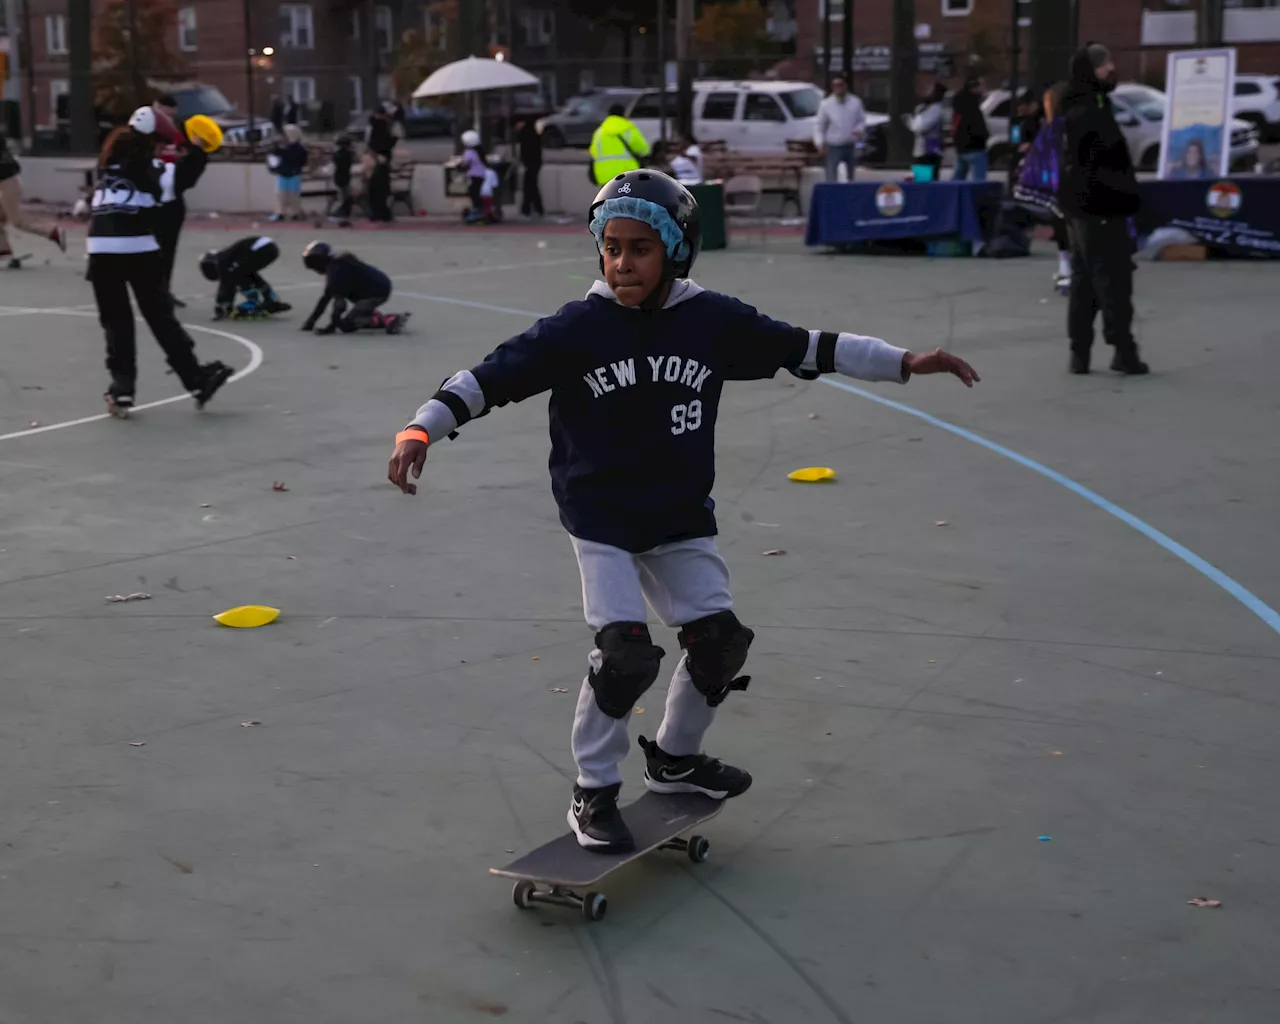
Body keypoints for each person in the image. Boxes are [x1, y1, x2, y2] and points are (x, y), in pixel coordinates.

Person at [385, 170, 979, 852]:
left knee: (719, 644)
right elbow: (488, 377)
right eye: (610, 247)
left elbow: (806, 347)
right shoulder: (580, 327)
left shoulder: (712, 321)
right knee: (624, 657)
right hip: (601, 514)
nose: (621, 263)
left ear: (677, 251)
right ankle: (593, 791)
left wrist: (904, 361)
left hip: (677, 512)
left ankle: (673, 758)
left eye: (639, 249)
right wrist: (422, 427)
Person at [88, 106, 233, 417]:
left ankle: (122, 390)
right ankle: (196, 380)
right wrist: (199, 147)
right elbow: (185, 176)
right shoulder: (154, 168)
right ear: (153, 142)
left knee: (116, 323)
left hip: (99, 250)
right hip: (138, 249)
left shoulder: (107, 167)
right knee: (160, 318)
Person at [1061, 43, 1147, 375]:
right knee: (1112, 280)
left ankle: (1079, 353)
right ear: (1091, 71)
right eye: (1105, 64)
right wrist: (1126, 196)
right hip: (1100, 208)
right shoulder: (1090, 112)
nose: (1111, 69)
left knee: (1084, 283)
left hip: (1081, 210)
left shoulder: (1081, 106)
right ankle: (1123, 349)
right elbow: (1103, 165)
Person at [153, 94, 211, 309]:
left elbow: (191, 173)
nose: (168, 119)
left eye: (171, 116)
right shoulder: (145, 134)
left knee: (167, 250)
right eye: (164, 114)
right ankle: (147, 291)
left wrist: (197, 150)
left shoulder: (181, 135)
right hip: (147, 201)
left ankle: (164, 291)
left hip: (171, 202)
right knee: (143, 250)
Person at [1013, 82, 1072, 291]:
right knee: (1068, 225)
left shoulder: (1053, 129)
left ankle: (1068, 268)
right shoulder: (1055, 129)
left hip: (1063, 184)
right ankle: (1069, 268)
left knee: (1065, 224)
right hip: (1069, 183)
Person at [299, 240, 407, 334]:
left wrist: (331, 327)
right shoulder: (335, 265)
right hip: (375, 288)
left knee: (347, 326)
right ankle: (369, 314)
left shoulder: (336, 270)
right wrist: (311, 322)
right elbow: (326, 298)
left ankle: (386, 319)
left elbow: (340, 305)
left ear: (320, 260)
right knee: (347, 313)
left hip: (375, 292)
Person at [0, 131, 68, 266]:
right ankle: (4, 253)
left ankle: (52, 232)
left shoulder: (4, 160)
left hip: (9, 186)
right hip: (7, 185)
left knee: (17, 222)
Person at [199, 235, 291, 320]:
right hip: (272, 248)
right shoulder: (229, 257)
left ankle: (254, 302)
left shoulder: (222, 262)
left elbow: (226, 285)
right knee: (247, 273)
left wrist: (219, 307)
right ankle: (271, 299)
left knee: (237, 274)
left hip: (261, 248)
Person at [815, 76, 867, 183]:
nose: (838, 88)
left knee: (850, 175)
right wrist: (819, 143)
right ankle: (831, 195)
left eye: (840, 85)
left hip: (850, 143)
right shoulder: (826, 104)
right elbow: (819, 126)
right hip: (834, 145)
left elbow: (861, 120)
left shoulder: (855, 102)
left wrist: (859, 129)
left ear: (845, 86)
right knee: (831, 174)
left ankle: (849, 195)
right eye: (835, 86)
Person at [589, 104, 651, 186]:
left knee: (607, 197)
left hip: (605, 176)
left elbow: (593, 152)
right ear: (623, 114)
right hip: (627, 174)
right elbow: (644, 150)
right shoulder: (629, 130)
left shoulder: (600, 132)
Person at [951, 76, 990, 182]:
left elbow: (956, 126)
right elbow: (978, 126)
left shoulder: (959, 106)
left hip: (961, 147)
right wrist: (984, 137)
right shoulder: (973, 106)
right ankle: (978, 197)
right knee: (979, 179)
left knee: (958, 177)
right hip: (976, 146)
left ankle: (953, 196)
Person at [906, 83, 948, 179]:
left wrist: (910, 122)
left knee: (924, 181)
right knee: (923, 179)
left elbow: (921, 127)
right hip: (924, 149)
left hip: (928, 150)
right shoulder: (924, 107)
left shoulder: (935, 109)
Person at [268, 123, 308, 222]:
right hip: (288, 173)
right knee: (282, 195)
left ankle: (292, 213)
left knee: (291, 195)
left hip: (291, 173)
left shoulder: (297, 149)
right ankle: (283, 212)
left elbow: (299, 160)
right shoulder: (289, 148)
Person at [517, 119, 544, 219]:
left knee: (529, 186)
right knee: (532, 186)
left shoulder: (526, 135)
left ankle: (527, 209)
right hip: (534, 164)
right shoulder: (532, 135)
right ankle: (537, 208)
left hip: (531, 164)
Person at [330, 134, 355, 224]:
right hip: (346, 176)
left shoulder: (337, 155)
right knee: (345, 196)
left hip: (338, 177)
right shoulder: (348, 154)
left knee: (342, 196)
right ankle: (343, 213)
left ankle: (340, 213)